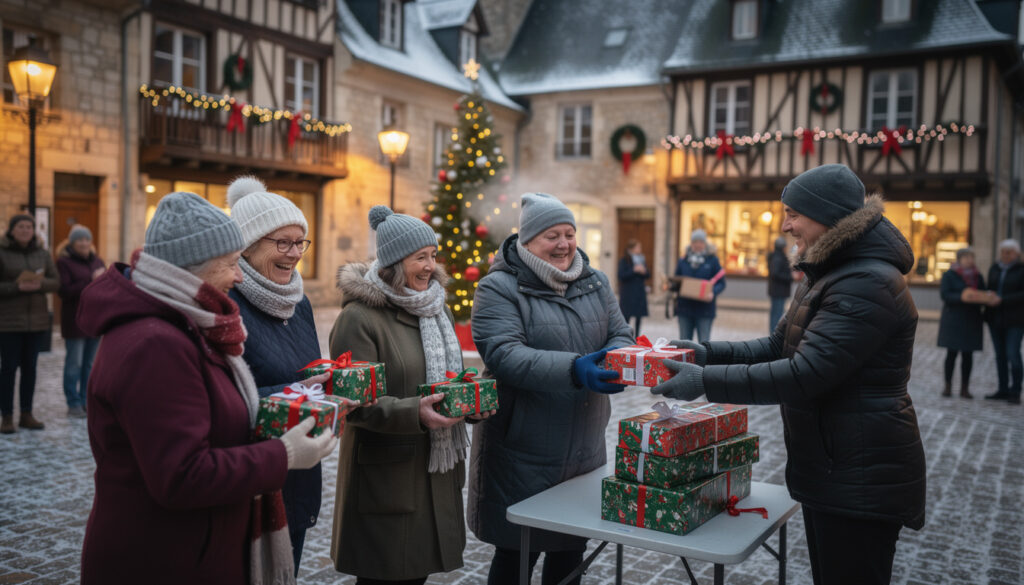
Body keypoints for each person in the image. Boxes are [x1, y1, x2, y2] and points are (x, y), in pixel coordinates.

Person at [651, 164, 926, 585]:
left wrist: (704, 383)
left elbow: (804, 374)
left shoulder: (865, 282)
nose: (786, 225)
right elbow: (777, 346)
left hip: (861, 474)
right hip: (835, 466)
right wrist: (703, 354)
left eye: (794, 213)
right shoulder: (831, 271)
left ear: (827, 215)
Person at [78, 191, 338, 584]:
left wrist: (297, 395)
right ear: (193, 270)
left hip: (194, 546)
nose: (237, 277)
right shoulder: (154, 343)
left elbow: (215, 414)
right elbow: (182, 476)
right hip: (160, 557)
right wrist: (282, 455)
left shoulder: (185, 325)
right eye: (231, 264)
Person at [468, 192, 634, 585]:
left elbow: (621, 334)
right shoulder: (499, 288)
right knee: (516, 553)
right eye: (551, 235)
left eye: (569, 233)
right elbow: (505, 354)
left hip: (583, 443)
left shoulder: (595, 282)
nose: (563, 244)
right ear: (526, 242)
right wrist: (576, 369)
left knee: (570, 555)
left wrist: (620, 361)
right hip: (521, 448)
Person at [329, 205, 493, 585]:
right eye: (420, 257)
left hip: (432, 469)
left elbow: (445, 381)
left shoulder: (436, 309)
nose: (429, 266)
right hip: (387, 477)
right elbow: (351, 403)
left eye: (432, 256)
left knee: (415, 576)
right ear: (393, 263)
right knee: (384, 576)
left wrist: (468, 403)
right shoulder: (359, 318)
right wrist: (414, 412)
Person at [226, 176, 355, 573]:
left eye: (300, 242)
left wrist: (329, 395)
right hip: (244, 484)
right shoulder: (226, 306)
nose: (295, 253)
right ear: (246, 247)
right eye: (282, 242)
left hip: (297, 476)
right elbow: (224, 400)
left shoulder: (298, 304)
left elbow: (305, 374)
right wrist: (298, 392)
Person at [0, 214, 58, 434]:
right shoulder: (2, 252)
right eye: (21, 226)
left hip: (36, 322)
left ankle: (26, 413)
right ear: (12, 230)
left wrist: (39, 284)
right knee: (8, 369)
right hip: (8, 322)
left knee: (30, 369)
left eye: (29, 227)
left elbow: (56, 281)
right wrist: (16, 288)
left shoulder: (42, 253)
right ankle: (6, 416)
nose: (25, 230)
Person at [56, 225, 105, 418]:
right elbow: (64, 291)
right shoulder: (64, 262)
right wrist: (91, 281)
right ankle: (73, 402)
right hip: (74, 320)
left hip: (95, 320)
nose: (84, 243)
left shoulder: (98, 261)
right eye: (80, 240)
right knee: (74, 364)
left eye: (87, 239)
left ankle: (86, 400)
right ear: (72, 243)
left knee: (90, 364)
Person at [937, 247, 986, 399]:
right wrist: (962, 297)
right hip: (954, 319)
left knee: (968, 355)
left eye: (971, 257)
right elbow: (945, 294)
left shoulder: (978, 276)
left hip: (972, 319)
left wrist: (983, 297)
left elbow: (983, 293)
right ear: (959, 259)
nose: (969, 260)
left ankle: (965, 388)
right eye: (966, 257)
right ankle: (948, 386)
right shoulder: (950, 275)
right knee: (951, 354)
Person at [984, 239, 1024, 404]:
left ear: (1016, 254)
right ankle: (1003, 389)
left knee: (1012, 354)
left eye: (1009, 252)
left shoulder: (1021, 270)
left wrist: (1003, 299)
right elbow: (989, 287)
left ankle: (1015, 391)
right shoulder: (995, 268)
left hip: (1015, 319)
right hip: (995, 318)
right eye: (1003, 252)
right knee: (1000, 355)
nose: (1006, 255)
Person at [672, 229, 725, 342]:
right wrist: (669, 286)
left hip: (705, 310)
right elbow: (676, 281)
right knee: (684, 345)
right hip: (685, 309)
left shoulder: (712, 260)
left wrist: (713, 292)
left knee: (704, 345)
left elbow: (721, 283)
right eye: (695, 242)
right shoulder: (683, 260)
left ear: (705, 243)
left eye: (700, 242)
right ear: (691, 243)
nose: (697, 245)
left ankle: (702, 361)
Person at [617, 239, 649, 335]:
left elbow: (648, 275)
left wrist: (644, 271)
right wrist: (634, 270)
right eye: (638, 247)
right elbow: (621, 275)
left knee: (639, 317)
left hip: (639, 293)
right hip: (628, 294)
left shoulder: (641, 260)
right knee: (627, 317)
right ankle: (627, 336)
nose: (640, 249)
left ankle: (637, 337)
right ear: (631, 249)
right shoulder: (624, 260)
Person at [766, 235, 793, 332]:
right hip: (779, 290)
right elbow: (775, 273)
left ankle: (773, 333)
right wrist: (789, 277)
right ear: (782, 247)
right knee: (777, 314)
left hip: (778, 290)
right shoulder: (778, 257)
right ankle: (773, 333)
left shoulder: (777, 256)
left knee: (776, 313)